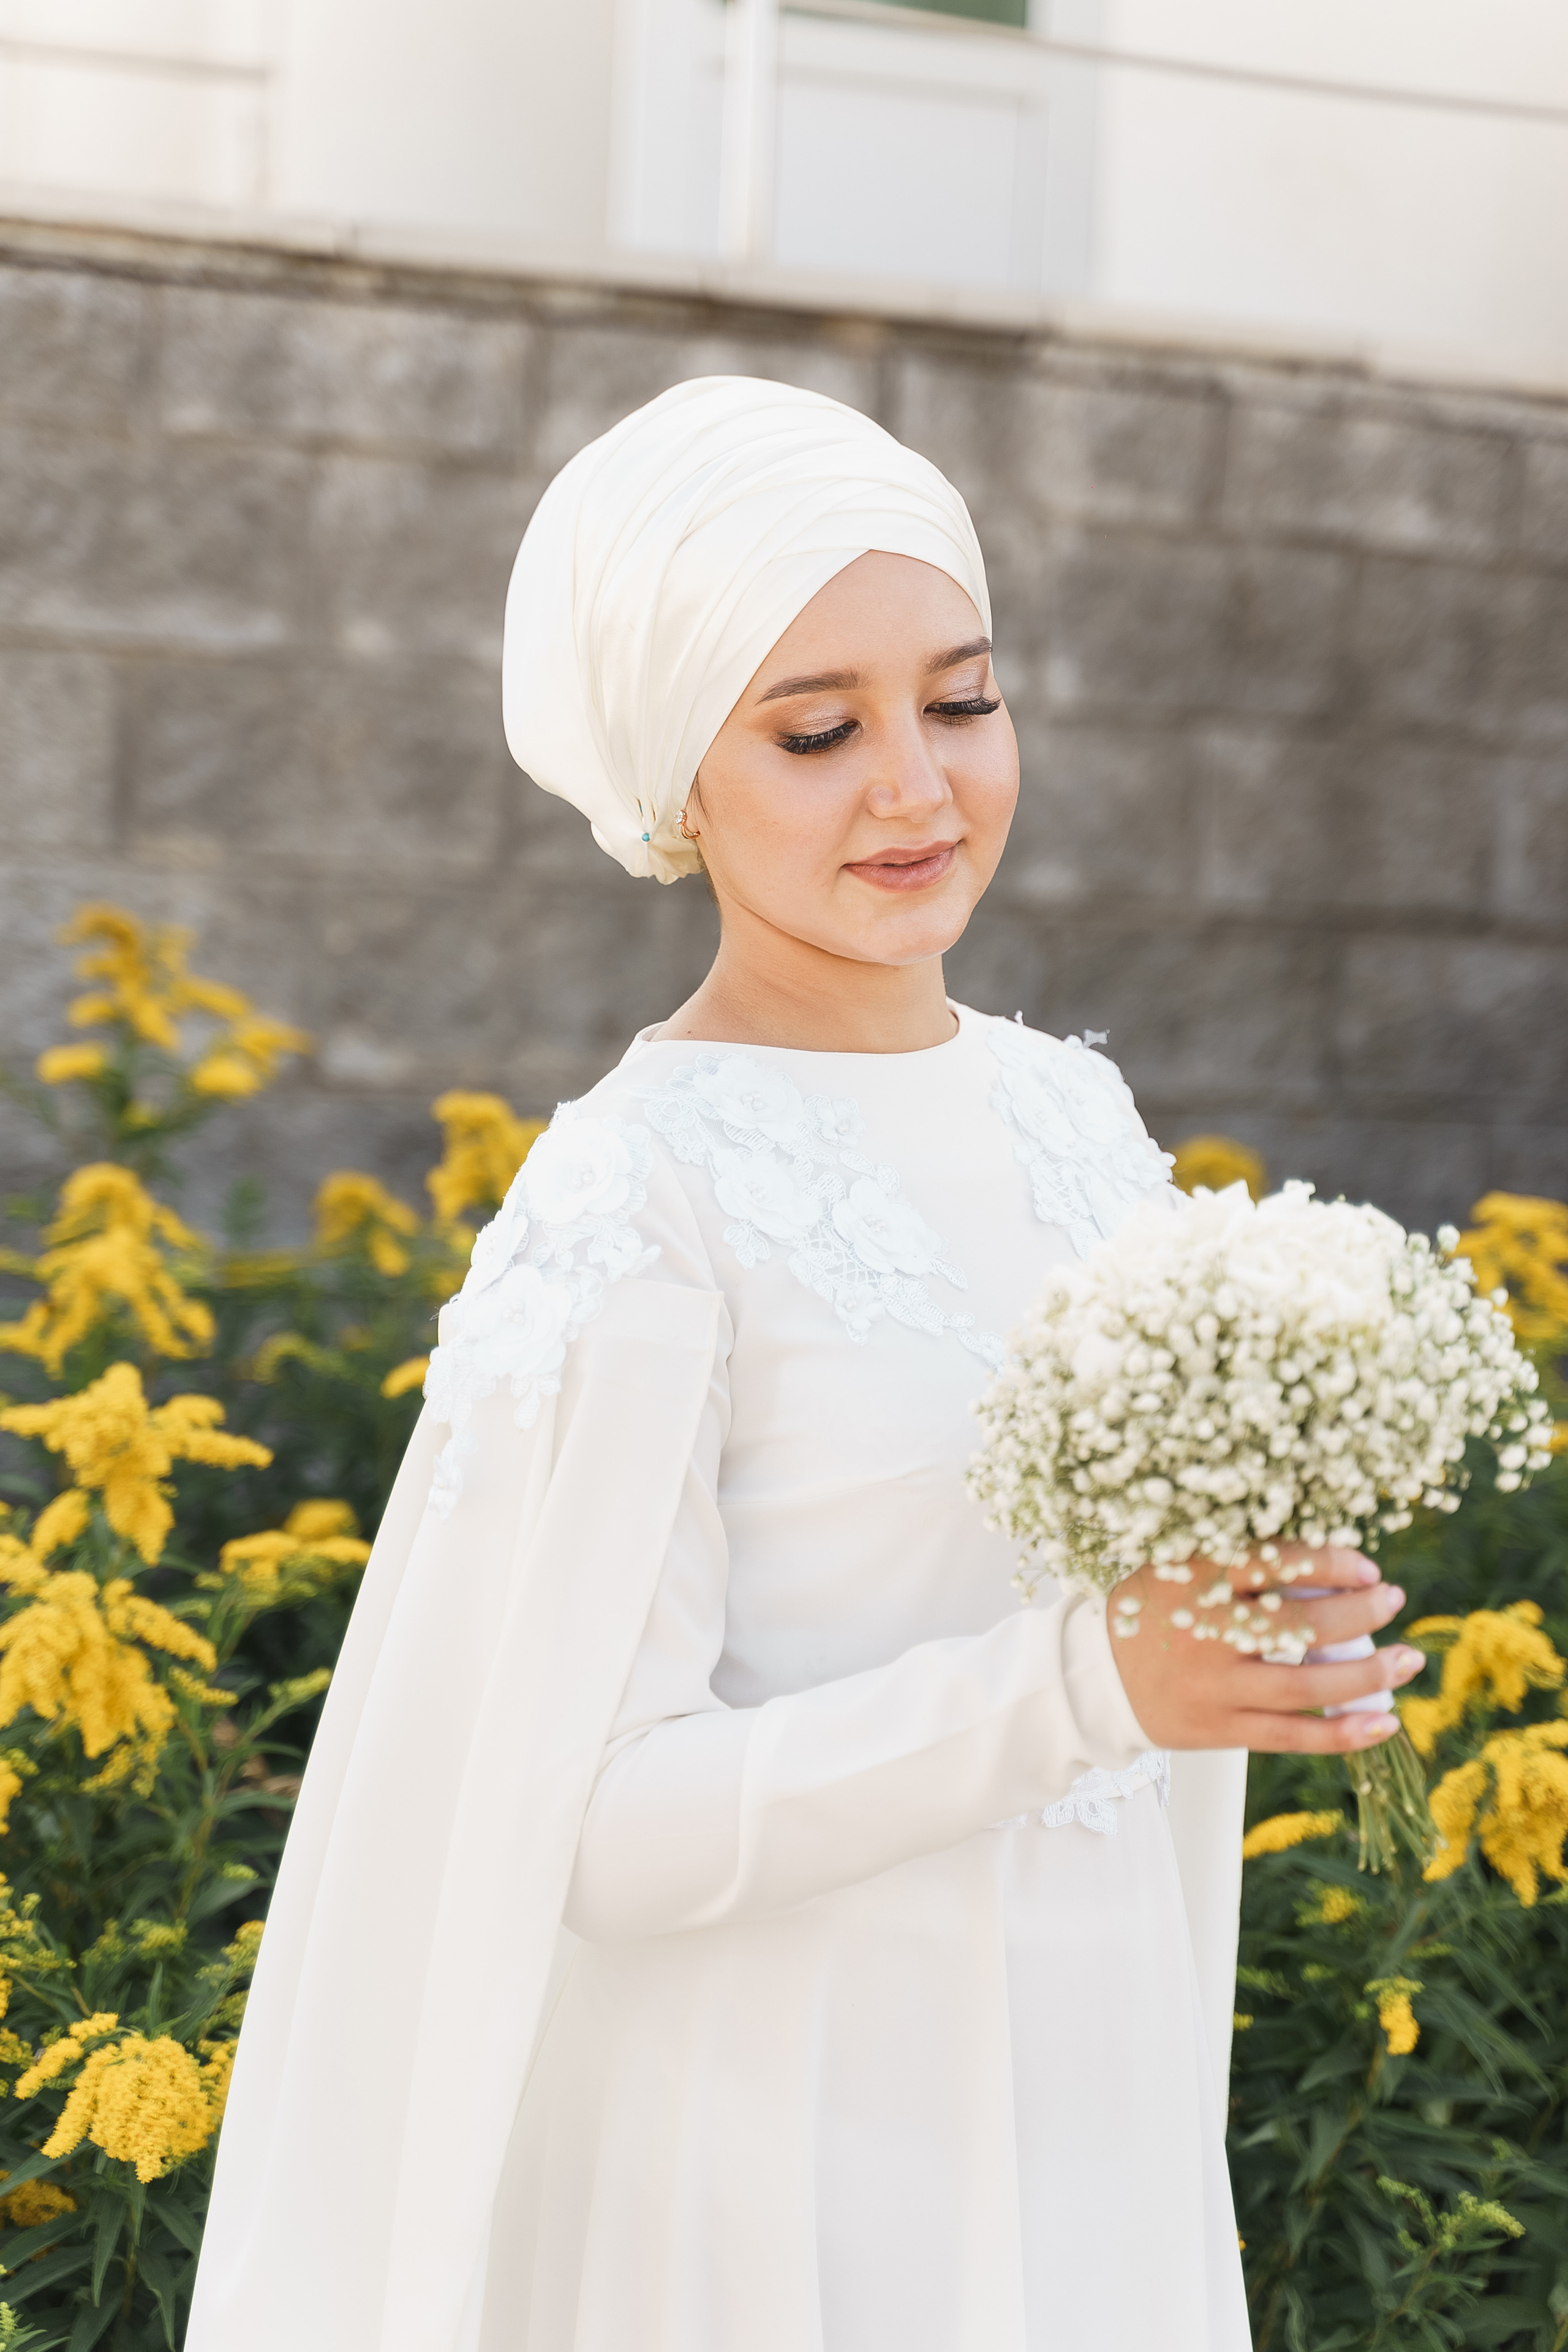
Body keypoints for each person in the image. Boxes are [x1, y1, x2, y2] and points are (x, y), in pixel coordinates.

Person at [187, 379, 1423, 2352]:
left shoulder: (1073, 1117)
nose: (917, 787)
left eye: (963, 698)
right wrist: (1091, 1685)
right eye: (817, 730)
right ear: (680, 780)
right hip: (786, 2174)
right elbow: (590, 1825)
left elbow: (1092, 1638)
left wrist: (1247, 1624)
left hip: (1086, 2101)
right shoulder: (638, 1195)